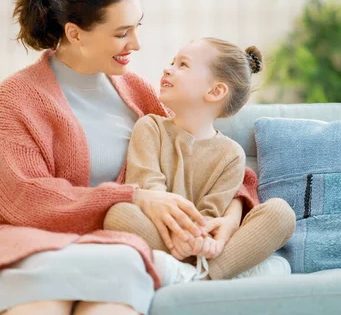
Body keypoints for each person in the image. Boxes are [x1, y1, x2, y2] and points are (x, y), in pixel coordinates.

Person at [0, 0, 260, 315]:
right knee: (41, 300)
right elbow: (25, 197)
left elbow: (224, 165)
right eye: (122, 33)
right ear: (75, 33)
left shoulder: (140, 94)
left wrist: (229, 219)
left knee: (114, 296)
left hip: (115, 244)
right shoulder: (17, 96)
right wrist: (136, 196)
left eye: (137, 27)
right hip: (29, 239)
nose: (136, 44)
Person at [104, 38, 296, 285]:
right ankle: (219, 272)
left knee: (280, 212)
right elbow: (147, 187)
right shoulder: (150, 127)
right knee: (119, 214)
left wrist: (202, 238)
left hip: (201, 240)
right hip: (161, 229)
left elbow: (212, 213)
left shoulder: (231, 154)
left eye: (183, 65)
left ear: (216, 91)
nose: (168, 68)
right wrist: (183, 236)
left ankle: (198, 275)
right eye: (172, 62)